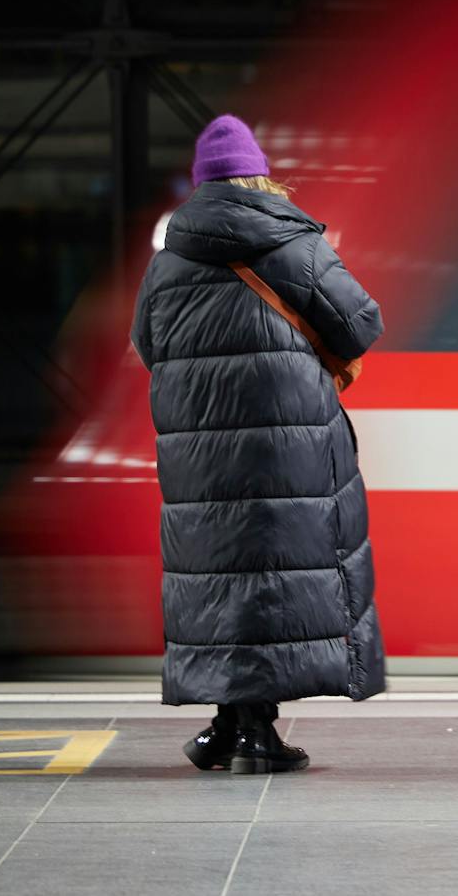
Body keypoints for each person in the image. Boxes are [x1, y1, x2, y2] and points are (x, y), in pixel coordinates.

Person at [131, 115, 386, 773]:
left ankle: (227, 725)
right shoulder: (293, 245)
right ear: (259, 174)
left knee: (222, 580)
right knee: (271, 581)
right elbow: (361, 321)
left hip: (198, 457)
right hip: (286, 449)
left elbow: (147, 347)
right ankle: (254, 736)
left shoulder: (168, 261)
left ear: (200, 184)